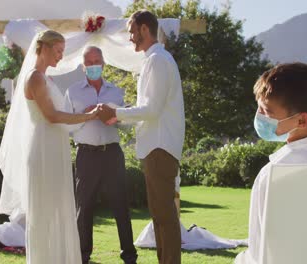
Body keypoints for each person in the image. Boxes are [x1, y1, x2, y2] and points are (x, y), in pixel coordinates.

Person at [0, 30, 99, 264]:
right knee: (44, 212)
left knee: (58, 208)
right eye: (59, 51)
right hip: (43, 149)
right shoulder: (35, 78)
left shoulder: (45, 77)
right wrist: (88, 117)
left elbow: (57, 114)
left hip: (54, 147)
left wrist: (80, 115)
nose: (61, 57)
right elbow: (51, 116)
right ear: (44, 48)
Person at [98, 10, 185, 264]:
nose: (130, 38)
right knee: (160, 215)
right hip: (155, 147)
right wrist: (118, 117)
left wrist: (115, 112)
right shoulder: (154, 60)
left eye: (132, 32)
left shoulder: (158, 60)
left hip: (159, 147)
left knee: (165, 217)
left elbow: (152, 109)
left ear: (145, 29)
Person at [235, 62, 307, 263]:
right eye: (259, 107)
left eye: (266, 111)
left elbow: (258, 253)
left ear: (302, 121)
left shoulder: (272, 174)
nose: (259, 116)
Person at [64, 46, 137, 264]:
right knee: (84, 208)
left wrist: (115, 117)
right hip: (86, 155)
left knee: (121, 207)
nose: (93, 65)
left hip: (112, 154)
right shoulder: (72, 92)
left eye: (97, 61)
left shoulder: (116, 91)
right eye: (89, 62)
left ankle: (130, 256)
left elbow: (126, 127)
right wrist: (86, 116)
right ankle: (83, 256)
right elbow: (66, 127)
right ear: (83, 66)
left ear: (104, 64)